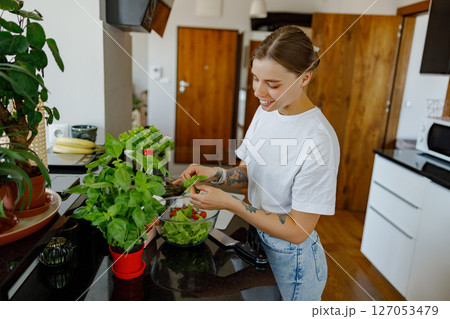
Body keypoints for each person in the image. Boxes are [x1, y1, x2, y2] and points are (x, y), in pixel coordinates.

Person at [173, 25, 340, 301]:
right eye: (255, 78)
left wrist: (229, 203)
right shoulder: (268, 111)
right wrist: (215, 175)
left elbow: (297, 231)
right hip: (256, 241)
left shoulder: (319, 139)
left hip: (292, 262)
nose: (258, 91)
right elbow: (249, 174)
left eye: (272, 84)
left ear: (305, 78)